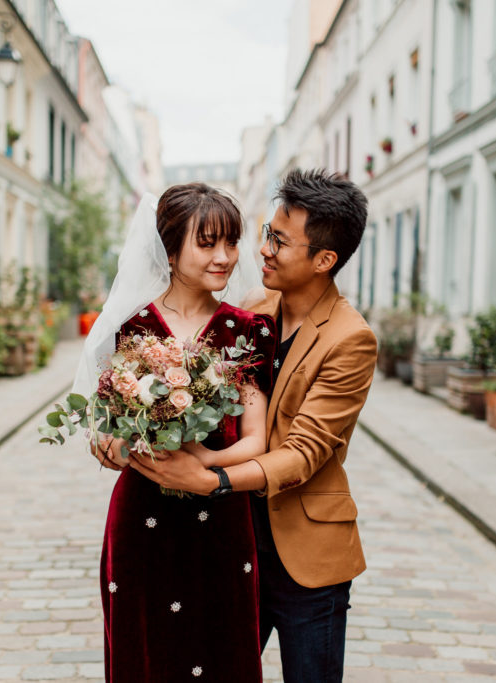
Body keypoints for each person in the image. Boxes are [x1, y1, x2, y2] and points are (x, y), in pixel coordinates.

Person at [131, 168, 376, 682]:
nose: (263, 250)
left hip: (306, 561)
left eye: (280, 241)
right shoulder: (251, 311)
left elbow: (304, 453)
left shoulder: (351, 339)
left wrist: (212, 477)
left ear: (323, 260)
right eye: (267, 234)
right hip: (233, 545)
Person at [84, 183, 277, 682]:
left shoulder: (246, 330)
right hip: (142, 517)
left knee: (222, 648)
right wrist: (111, 445)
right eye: (208, 243)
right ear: (170, 249)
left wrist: (203, 466)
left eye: (231, 243)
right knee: (146, 651)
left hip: (222, 516)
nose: (225, 257)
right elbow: (104, 427)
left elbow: (257, 439)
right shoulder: (131, 327)